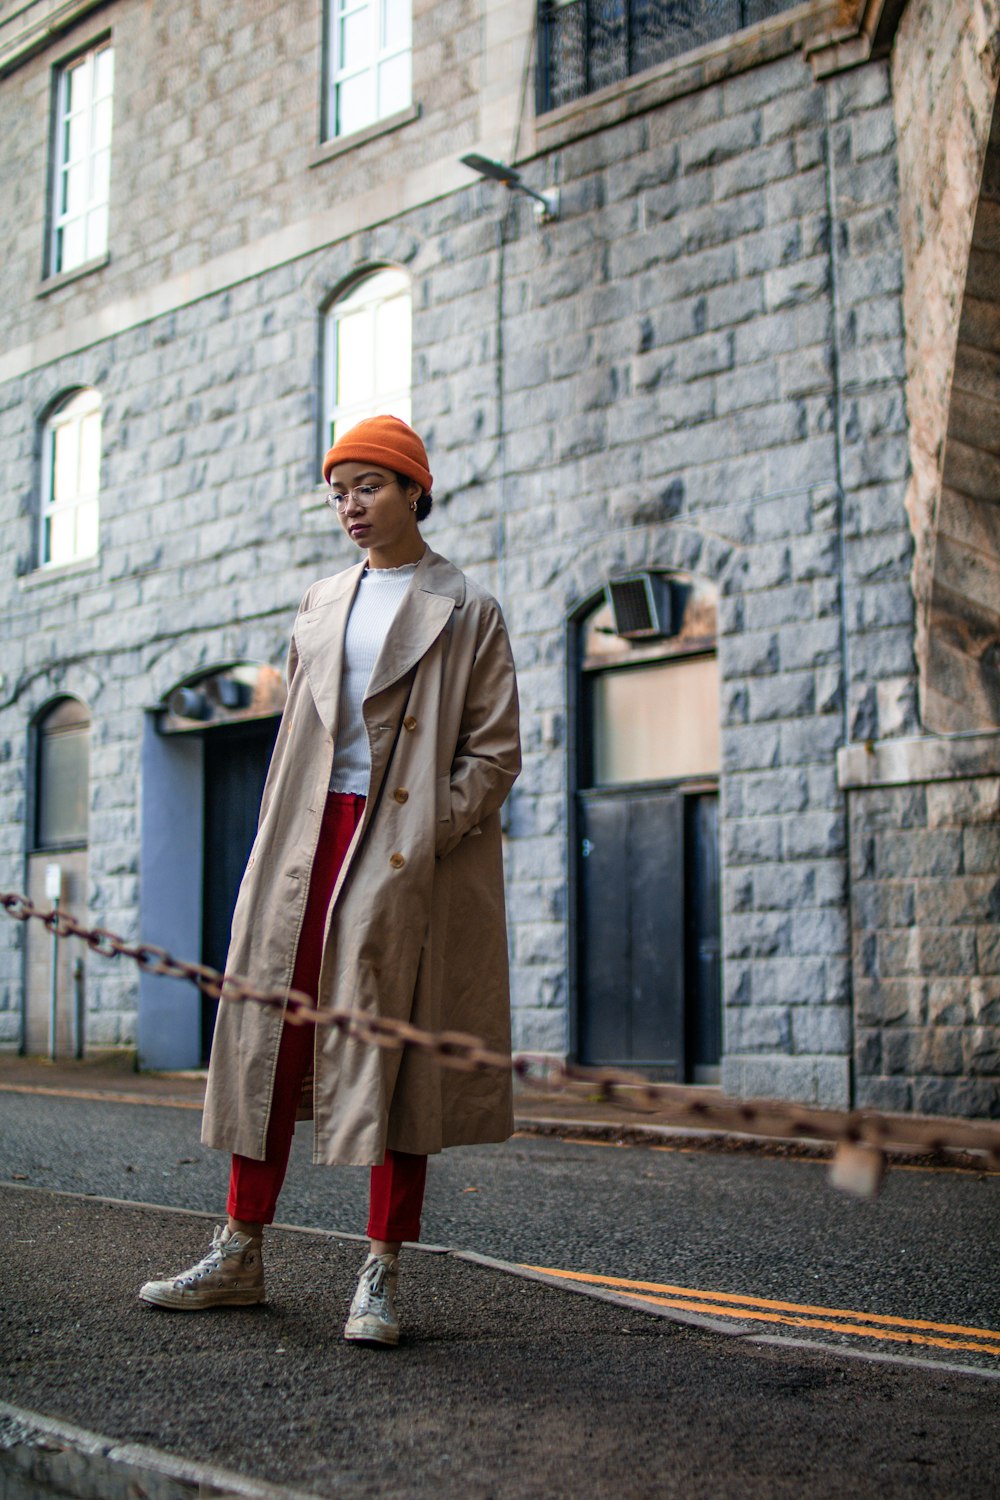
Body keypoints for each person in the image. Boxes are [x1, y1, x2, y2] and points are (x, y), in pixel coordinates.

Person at [139, 415, 521, 1346]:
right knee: (270, 1037)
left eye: (369, 486)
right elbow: (295, 741)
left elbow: (495, 752)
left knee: (398, 1054)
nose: (351, 505)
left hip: (401, 850)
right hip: (306, 841)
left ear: (415, 491)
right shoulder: (319, 600)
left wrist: (424, 830)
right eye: (339, 491)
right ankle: (239, 1250)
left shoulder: (466, 607)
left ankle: (380, 1272)